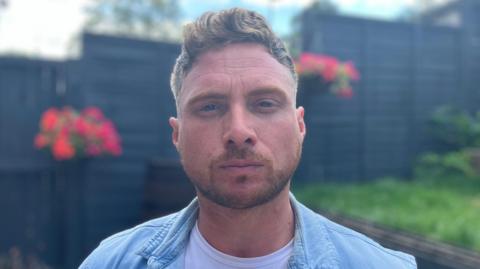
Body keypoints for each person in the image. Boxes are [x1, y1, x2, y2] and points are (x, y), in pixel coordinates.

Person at [80, 8, 417, 269]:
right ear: (177, 135)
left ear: (300, 126)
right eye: (210, 106)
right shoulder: (110, 262)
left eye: (265, 104)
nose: (239, 131)